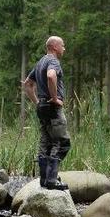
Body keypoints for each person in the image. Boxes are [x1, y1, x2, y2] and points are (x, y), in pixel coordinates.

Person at [22, 36, 70, 190]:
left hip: (42, 106)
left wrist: (37, 102)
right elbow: (51, 75)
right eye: (62, 45)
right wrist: (55, 98)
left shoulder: (40, 62)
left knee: (46, 142)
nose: (64, 48)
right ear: (55, 47)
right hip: (52, 107)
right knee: (62, 143)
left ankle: (44, 179)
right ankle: (52, 179)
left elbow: (28, 85)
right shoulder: (53, 61)